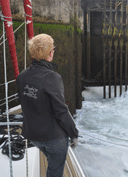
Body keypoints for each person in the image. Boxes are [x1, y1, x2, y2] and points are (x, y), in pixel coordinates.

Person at [16, 34, 79, 177]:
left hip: (32, 136)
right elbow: (61, 111)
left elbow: (23, 100)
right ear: (50, 53)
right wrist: (73, 134)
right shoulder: (52, 77)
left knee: (52, 159)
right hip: (53, 138)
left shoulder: (21, 76)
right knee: (55, 169)